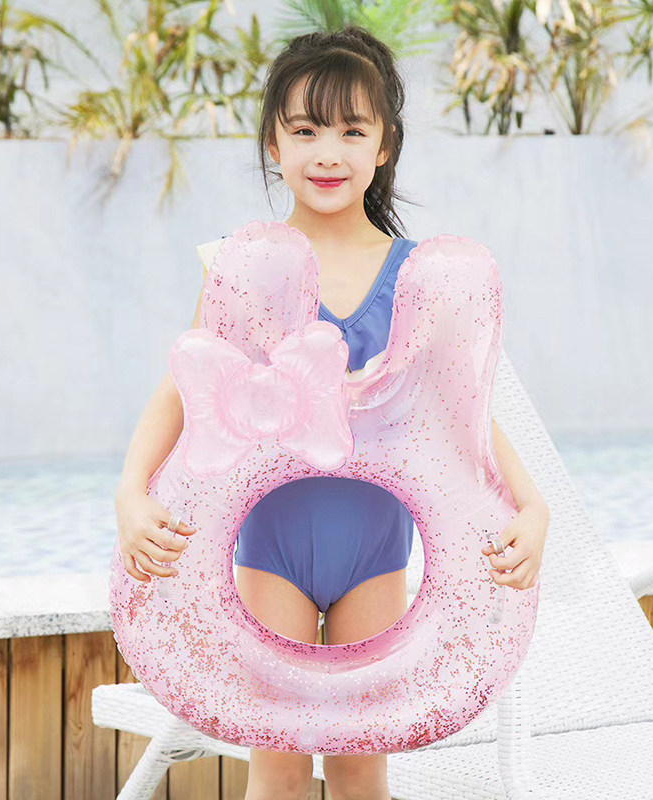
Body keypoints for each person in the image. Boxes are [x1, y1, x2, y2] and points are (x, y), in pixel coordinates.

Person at [115, 24, 550, 800]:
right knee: (279, 770)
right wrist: (130, 492)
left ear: (385, 146)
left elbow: (458, 416)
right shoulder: (247, 269)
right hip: (271, 551)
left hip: (374, 555)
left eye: (353, 131)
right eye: (306, 129)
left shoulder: (416, 278)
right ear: (272, 145)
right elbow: (185, 388)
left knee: (359, 770)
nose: (328, 152)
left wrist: (533, 505)